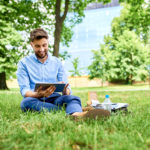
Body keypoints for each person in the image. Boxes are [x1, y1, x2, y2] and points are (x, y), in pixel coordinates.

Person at [17, 28, 110, 119]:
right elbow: (24, 91)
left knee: (74, 98)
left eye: (44, 45)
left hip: (55, 98)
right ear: (31, 45)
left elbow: (67, 89)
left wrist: (65, 91)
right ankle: (73, 110)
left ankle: (77, 115)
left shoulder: (57, 62)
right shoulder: (24, 63)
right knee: (26, 103)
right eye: (37, 46)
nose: (41, 49)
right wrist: (39, 94)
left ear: (48, 43)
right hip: (35, 98)